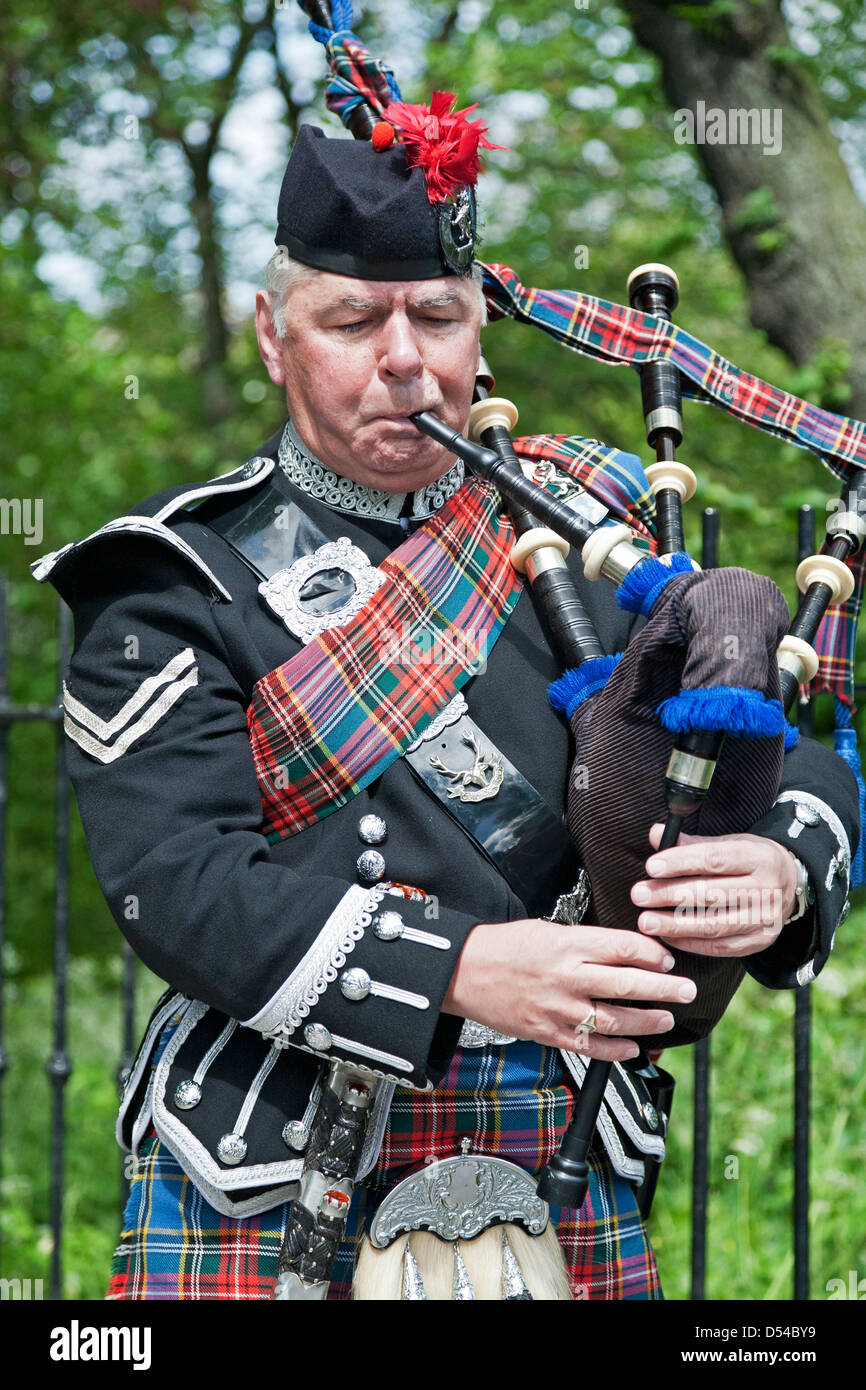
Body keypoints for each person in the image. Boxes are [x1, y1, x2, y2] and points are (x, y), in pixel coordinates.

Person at [32, 115, 858, 1301]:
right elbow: (176, 879)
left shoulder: (589, 530)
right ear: (273, 337)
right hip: (272, 1157)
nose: (404, 359)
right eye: (353, 321)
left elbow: (802, 760)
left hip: (557, 1140)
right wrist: (458, 964)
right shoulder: (174, 576)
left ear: (480, 331)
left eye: (437, 315)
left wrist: (776, 867)